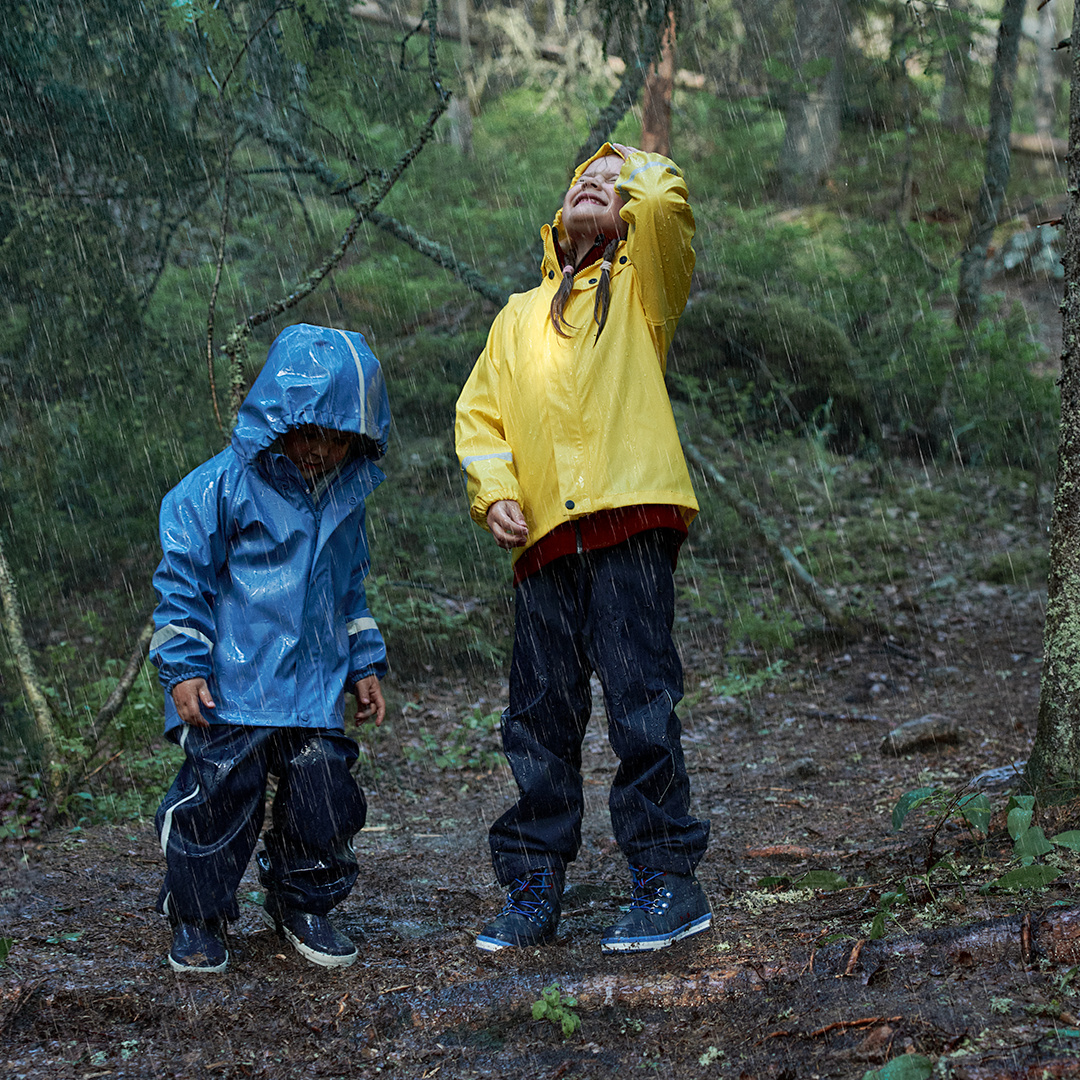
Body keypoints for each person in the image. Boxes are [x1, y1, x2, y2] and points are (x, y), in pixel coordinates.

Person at [455, 142, 711, 953]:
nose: (594, 187)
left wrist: (630, 162)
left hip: (631, 522)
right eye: (580, 183)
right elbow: (481, 416)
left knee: (641, 703)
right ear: (555, 220)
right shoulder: (515, 317)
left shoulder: (643, 288)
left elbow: (668, 208)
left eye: (609, 184)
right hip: (544, 546)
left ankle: (667, 882)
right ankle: (532, 887)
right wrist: (494, 489)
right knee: (538, 715)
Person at [149, 322, 391, 973]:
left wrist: (364, 663)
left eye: (339, 437)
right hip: (234, 684)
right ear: (278, 418)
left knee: (325, 798)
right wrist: (183, 668)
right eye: (310, 431)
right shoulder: (218, 488)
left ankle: (303, 901)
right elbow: (183, 585)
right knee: (218, 801)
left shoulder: (345, 498)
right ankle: (198, 915)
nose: (321, 449)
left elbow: (349, 590)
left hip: (313, 687)